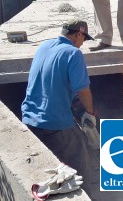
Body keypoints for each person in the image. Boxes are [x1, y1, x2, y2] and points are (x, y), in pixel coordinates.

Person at [21, 18, 95, 177]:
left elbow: (53, 80)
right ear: (79, 34)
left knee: (47, 169)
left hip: (29, 119)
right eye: (84, 38)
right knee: (79, 165)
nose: (83, 43)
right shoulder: (74, 53)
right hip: (55, 122)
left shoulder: (44, 46)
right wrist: (90, 113)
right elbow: (82, 90)